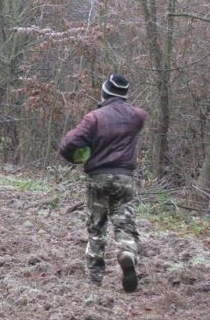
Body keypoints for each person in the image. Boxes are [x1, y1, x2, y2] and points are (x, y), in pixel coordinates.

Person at [58, 73, 148, 292]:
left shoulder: (94, 117)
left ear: (105, 91)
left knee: (96, 226)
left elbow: (69, 143)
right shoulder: (138, 117)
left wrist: (76, 157)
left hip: (97, 176)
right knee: (124, 221)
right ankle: (127, 251)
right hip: (124, 177)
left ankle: (95, 278)